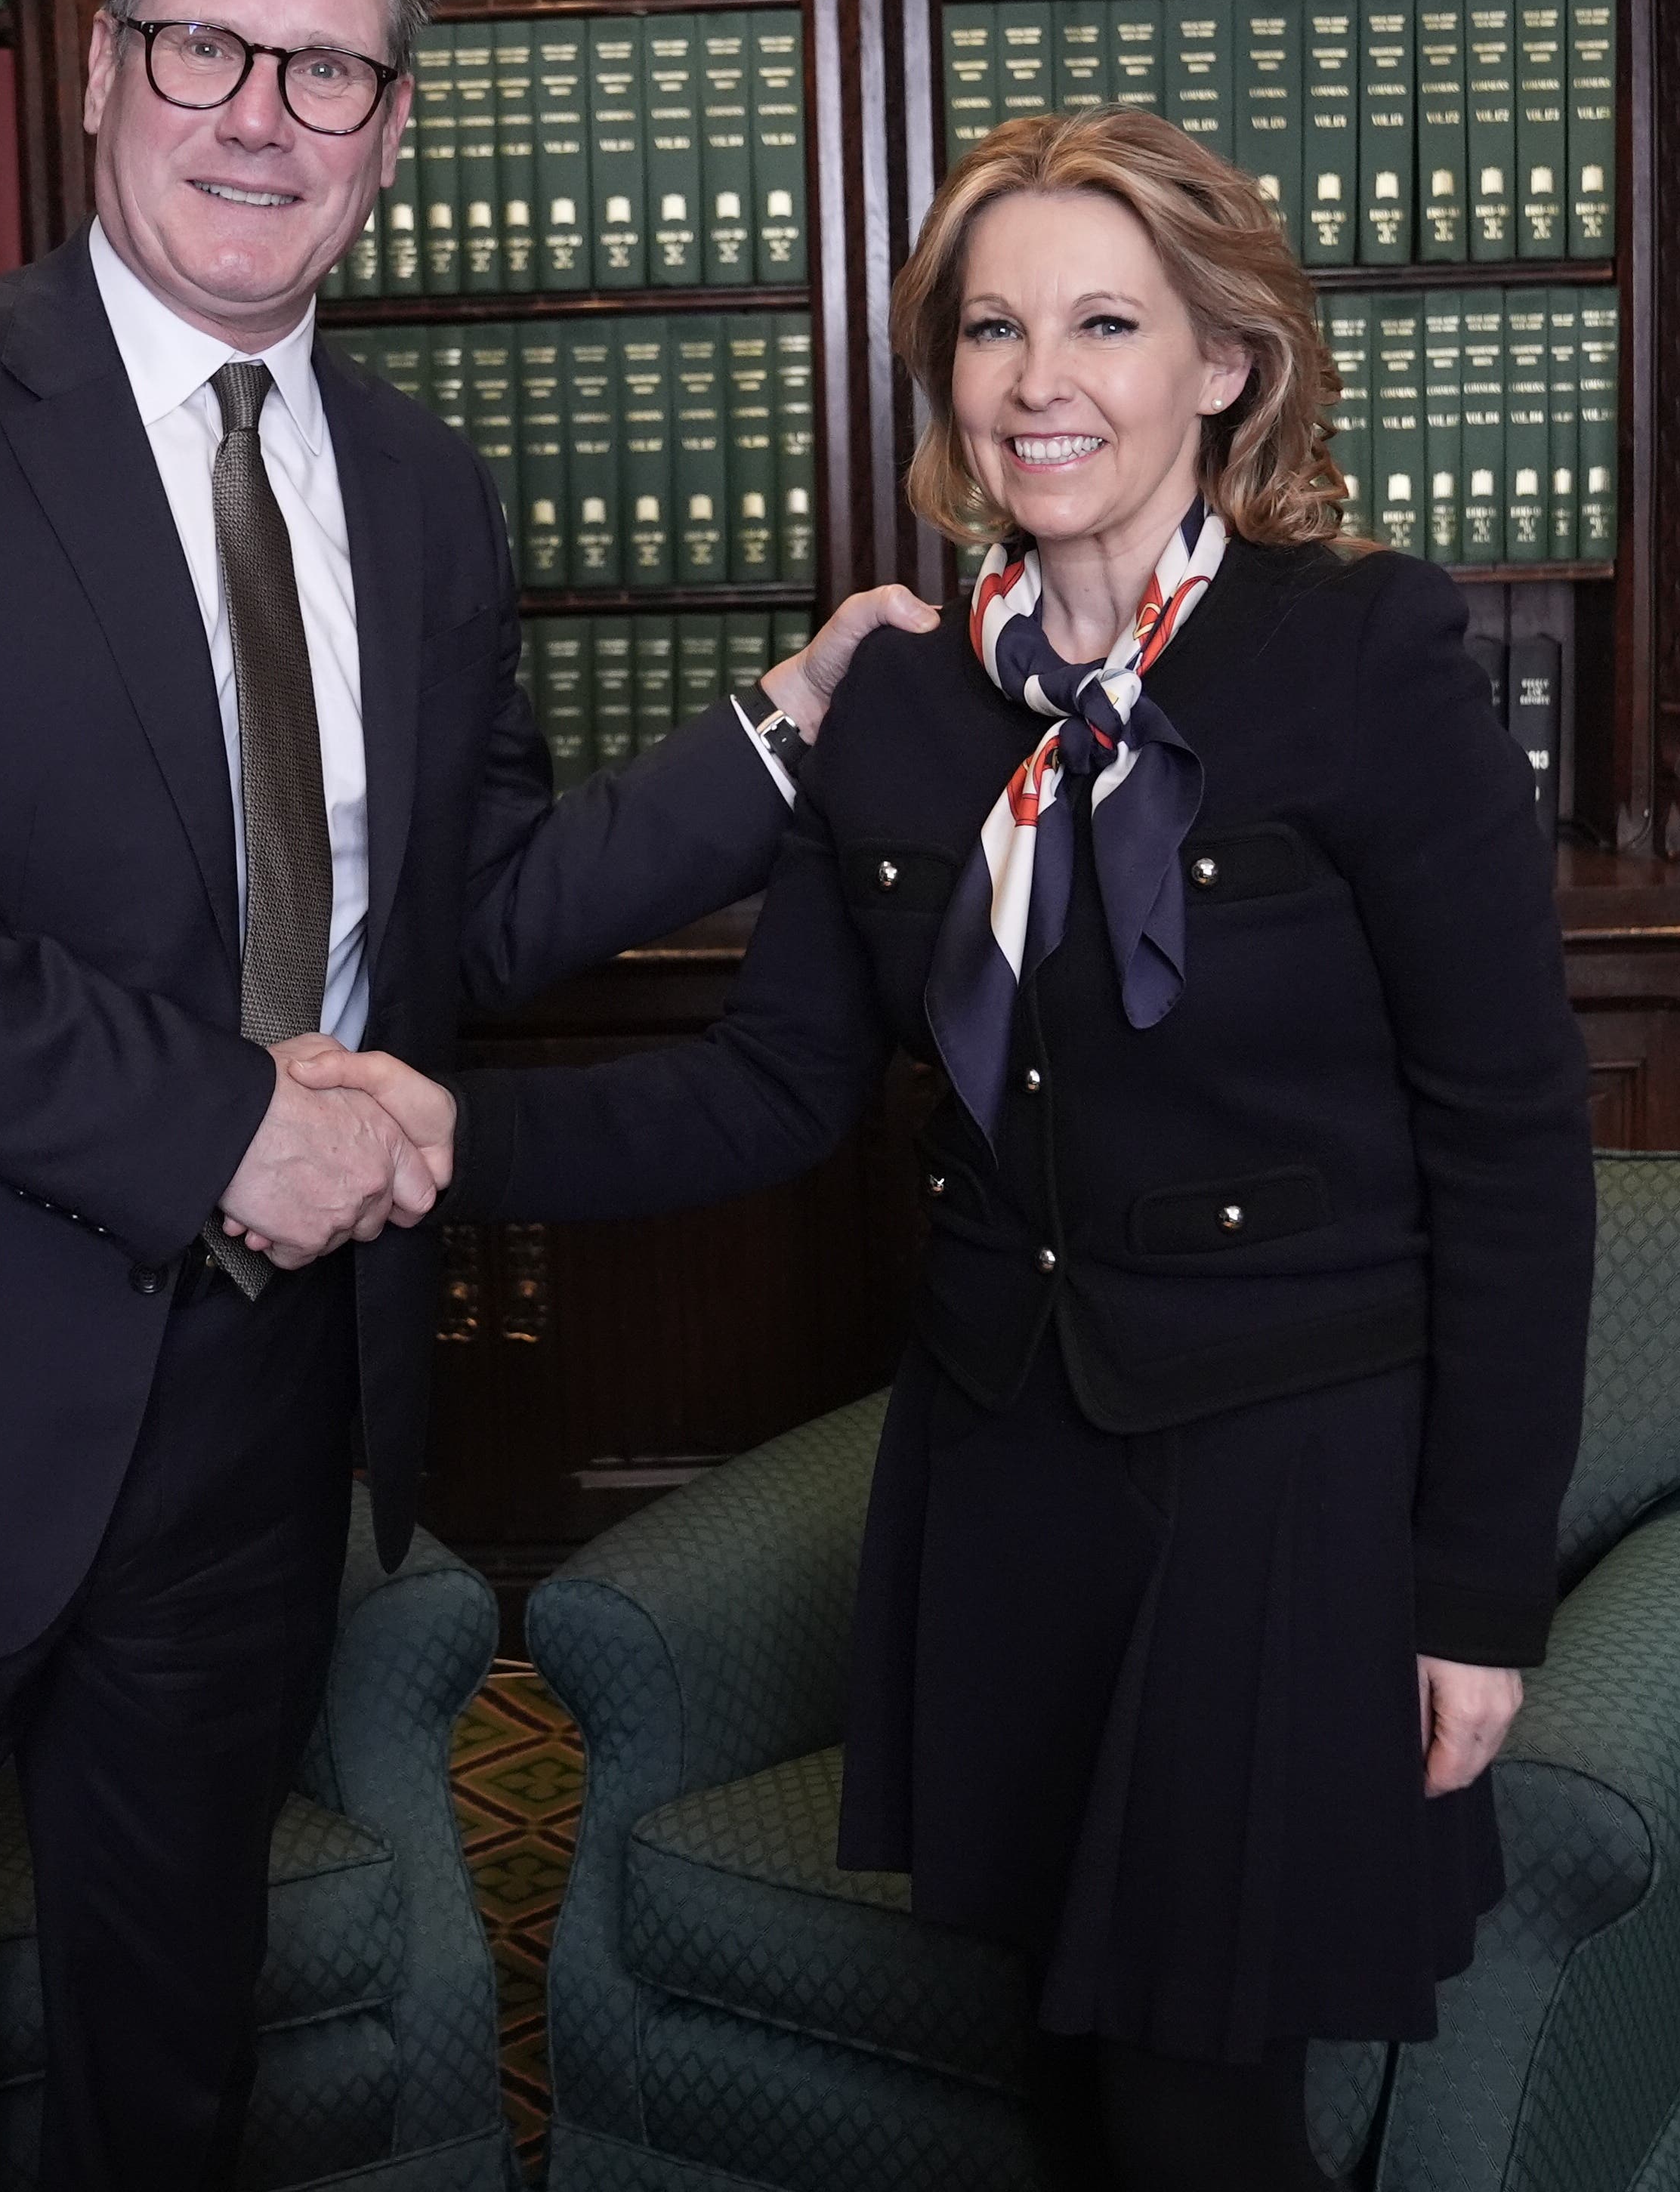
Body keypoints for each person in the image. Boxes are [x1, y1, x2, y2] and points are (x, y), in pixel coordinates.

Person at [0, 0, 932, 2191]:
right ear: (103, 76)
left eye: (328, 72)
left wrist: (784, 731)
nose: (260, 115)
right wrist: (220, 1115)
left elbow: (470, 916)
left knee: (168, 2067)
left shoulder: (420, 494)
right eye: (208, 44)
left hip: (242, 1413)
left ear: (392, 134)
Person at [308, 107, 1594, 2188]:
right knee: (1063, 2055)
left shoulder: (1366, 654)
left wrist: (1478, 1591)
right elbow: (771, 1087)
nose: (1039, 383)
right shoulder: (903, 702)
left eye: (1105, 323)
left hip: (1285, 1473)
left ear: (1226, 364)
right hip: (1008, 1465)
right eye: (993, 331)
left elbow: (1516, 1147)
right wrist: (442, 1136)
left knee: (1198, 2093)